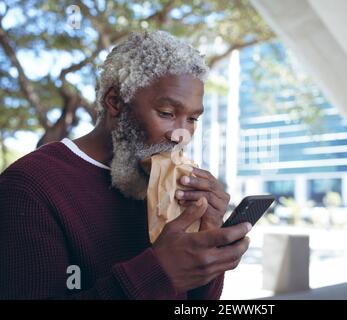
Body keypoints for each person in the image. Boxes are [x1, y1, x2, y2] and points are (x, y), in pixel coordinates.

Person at [0, 31, 251, 299]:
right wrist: (159, 271)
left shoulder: (170, 188)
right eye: (167, 114)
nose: (182, 135)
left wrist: (207, 250)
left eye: (192, 119)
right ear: (115, 102)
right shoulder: (29, 186)